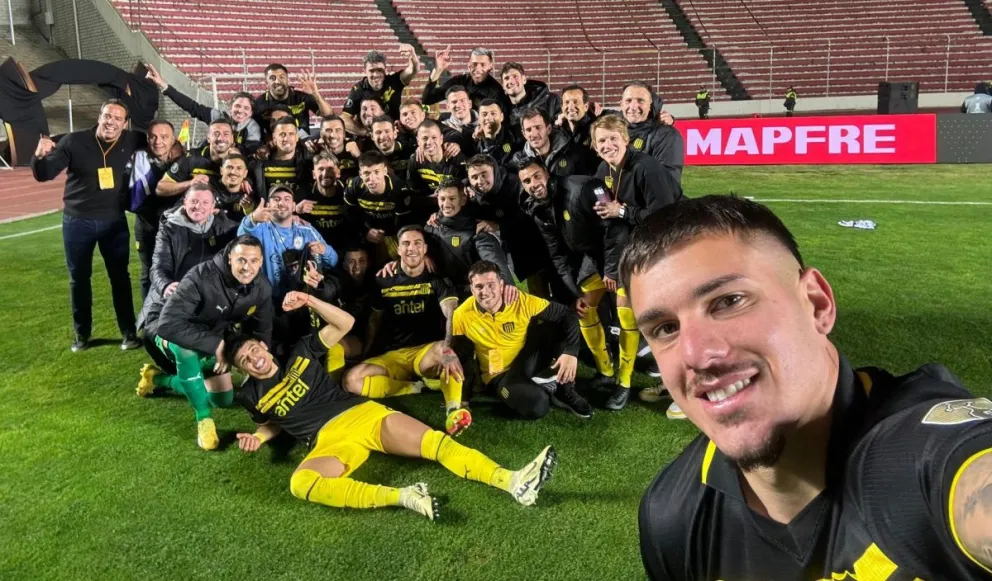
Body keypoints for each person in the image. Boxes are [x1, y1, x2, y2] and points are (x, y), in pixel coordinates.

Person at [625, 195, 992, 580]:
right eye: (665, 329)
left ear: (816, 303)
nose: (696, 355)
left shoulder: (917, 455)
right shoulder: (673, 516)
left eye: (728, 301)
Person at [227, 289, 558, 520]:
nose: (253, 360)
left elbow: (344, 324)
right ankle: (404, 496)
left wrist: (310, 300)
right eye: (245, 361)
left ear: (261, 346)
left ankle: (513, 482)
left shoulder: (299, 351)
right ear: (242, 370)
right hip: (328, 442)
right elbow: (270, 422)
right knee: (300, 484)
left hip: (361, 415)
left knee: (436, 444)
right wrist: (259, 438)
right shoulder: (251, 396)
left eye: (253, 351)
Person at [31, 99, 147, 352]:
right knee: (79, 278)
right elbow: (45, 173)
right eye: (107, 116)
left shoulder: (131, 140)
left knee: (120, 278)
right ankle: (82, 334)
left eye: (117, 119)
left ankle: (128, 332)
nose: (111, 122)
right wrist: (40, 155)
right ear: (99, 116)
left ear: (124, 123)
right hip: (77, 221)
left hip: (114, 221)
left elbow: (160, 142)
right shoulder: (74, 142)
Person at [517, 158, 633, 410]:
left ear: (546, 174)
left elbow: (617, 230)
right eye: (526, 181)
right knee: (583, 309)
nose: (533, 184)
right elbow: (557, 255)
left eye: (536, 176)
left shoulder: (584, 188)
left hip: (621, 253)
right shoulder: (538, 209)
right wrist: (573, 292)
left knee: (626, 315)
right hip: (594, 260)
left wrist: (612, 271)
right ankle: (606, 371)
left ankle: (624, 383)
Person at [591, 114, 684, 411]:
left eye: (612, 138)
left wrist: (624, 212)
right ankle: (624, 382)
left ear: (626, 139)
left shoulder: (645, 167)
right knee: (627, 318)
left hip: (666, 254)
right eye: (601, 140)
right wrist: (611, 267)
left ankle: (681, 387)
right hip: (632, 256)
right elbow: (610, 222)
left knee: (671, 322)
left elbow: (664, 217)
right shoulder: (603, 170)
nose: (608, 145)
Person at [342, 226, 469, 435]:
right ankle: (414, 387)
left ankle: (454, 412)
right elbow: (375, 320)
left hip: (425, 353)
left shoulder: (436, 279)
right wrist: (367, 352)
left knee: (445, 352)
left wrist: (447, 349)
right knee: (351, 380)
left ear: (425, 248)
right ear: (398, 249)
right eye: (406, 244)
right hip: (394, 355)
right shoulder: (383, 279)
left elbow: (451, 314)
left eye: (417, 243)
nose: (412, 248)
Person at [150, 234, 273, 450]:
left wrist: (262, 353)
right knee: (186, 352)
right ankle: (203, 419)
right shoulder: (201, 276)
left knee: (223, 399)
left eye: (254, 261)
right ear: (229, 259)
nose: (247, 267)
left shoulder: (261, 286)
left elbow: (263, 329)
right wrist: (217, 345)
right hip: (167, 330)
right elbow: (168, 324)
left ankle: (159, 380)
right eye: (241, 260)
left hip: (212, 335)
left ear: (261, 261)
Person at [136, 183, 239, 404]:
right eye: (193, 201)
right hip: (171, 307)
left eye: (204, 202)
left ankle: (161, 379)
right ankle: (185, 377)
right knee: (187, 359)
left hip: (208, 311)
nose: (198, 207)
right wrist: (166, 286)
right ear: (184, 203)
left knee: (223, 399)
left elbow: (247, 239)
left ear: (213, 207)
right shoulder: (169, 228)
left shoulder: (225, 227)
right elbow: (157, 267)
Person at [453, 260, 593, 420]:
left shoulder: (519, 300)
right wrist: (464, 400)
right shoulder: (461, 315)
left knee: (560, 328)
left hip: (526, 359)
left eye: (491, 285)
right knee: (539, 405)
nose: (485, 292)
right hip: (500, 375)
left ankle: (564, 389)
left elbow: (567, 314)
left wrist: (571, 352)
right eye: (479, 287)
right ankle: (540, 384)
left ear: (501, 284)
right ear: (472, 289)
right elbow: (463, 357)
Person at [465, 154, 549, 294]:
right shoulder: (472, 193)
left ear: (494, 171)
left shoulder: (515, 184)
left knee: (544, 285)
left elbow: (533, 217)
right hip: (512, 245)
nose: (480, 181)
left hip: (538, 243)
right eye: (474, 177)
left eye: (484, 174)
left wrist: (500, 226)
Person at [237, 184, 338, 301]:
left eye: (287, 199)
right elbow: (241, 238)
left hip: (302, 299)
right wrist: (252, 218)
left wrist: (325, 250)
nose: (281, 203)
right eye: (276, 199)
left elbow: (333, 261)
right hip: (270, 300)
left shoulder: (306, 229)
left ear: (294, 205)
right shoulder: (261, 228)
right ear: (268, 205)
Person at [424, 180, 514, 298]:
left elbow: (494, 261)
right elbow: (411, 243)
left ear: (463, 200)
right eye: (442, 199)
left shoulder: (476, 230)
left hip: (472, 294)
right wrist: (422, 254)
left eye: (452, 199)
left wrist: (507, 284)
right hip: (442, 293)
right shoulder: (431, 226)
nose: (446, 204)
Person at [145, 63, 261, 154]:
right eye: (237, 106)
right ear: (230, 108)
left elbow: (248, 152)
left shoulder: (254, 129)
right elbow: (191, 106)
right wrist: (164, 85)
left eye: (246, 108)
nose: (240, 111)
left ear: (251, 113)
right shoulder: (218, 117)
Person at [129, 119, 182, 300]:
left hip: (174, 229)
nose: (158, 141)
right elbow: (134, 200)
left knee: (176, 273)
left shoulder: (183, 161)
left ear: (173, 139)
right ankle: (148, 323)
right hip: (147, 227)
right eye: (153, 137)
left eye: (164, 137)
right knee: (148, 274)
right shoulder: (138, 159)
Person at [343, 150, 414, 266]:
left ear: (385, 171)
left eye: (376, 172)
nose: (372, 178)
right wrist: (366, 232)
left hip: (393, 232)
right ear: (360, 174)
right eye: (366, 173)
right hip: (365, 229)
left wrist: (385, 237)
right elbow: (349, 216)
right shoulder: (354, 187)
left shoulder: (398, 188)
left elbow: (403, 223)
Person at [341, 46, 420, 135]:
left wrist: (412, 55)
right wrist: (365, 133)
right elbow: (344, 118)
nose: (376, 74)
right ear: (364, 71)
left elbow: (413, 70)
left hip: (395, 133)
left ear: (386, 70)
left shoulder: (394, 81)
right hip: (371, 135)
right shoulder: (358, 90)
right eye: (371, 70)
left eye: (380, 70)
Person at [620, 82, 684, 185]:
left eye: (640, 101)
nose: (633, 106)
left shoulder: (666, 135)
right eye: (628, 101)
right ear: (621, 105)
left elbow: (668, 183)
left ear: (651, 105)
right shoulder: (614, 129)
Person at [156, 118, 234, 197]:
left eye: (226, 134)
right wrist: (189, 183)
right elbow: (160, 188)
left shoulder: (240, 161)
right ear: (208, 138)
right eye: (216, 134)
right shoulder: (191, 158)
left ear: (232, 138)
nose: (221, 138)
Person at [509, 108, 595, 177]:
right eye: (528, 130)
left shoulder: (573, 154)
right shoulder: (519, 161)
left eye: (538, 127)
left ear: (549, 129)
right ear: (524, 134)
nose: (534, 134)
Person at [294, 151, 351, 252]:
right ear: (314, 174)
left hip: (344, 250)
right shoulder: (302, 193)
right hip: (314, 249)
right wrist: (295, 211)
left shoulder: (348, 192)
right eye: (320, 169)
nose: (325, 174)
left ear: (338, 173)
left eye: (330, 169)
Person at [253, 64, 332, 134]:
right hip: (275, 145)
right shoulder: (260, 103)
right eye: (272, 78)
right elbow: (257, 132)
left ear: (288, 80)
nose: (277, 81)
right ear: (266, 84)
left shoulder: (301, 97)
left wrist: (316, 95)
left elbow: (328, 115)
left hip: (303, 142)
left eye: (281, 77)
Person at [421, 47, 508, 110]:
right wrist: (438, 70)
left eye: (483, 65)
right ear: (469, 65)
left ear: (490, 67)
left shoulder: (496, 92)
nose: (478, 69)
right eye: (474, 64)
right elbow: (427, 99)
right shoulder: (460, 81)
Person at [406, 119, 466, 205]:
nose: (429, 142)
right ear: (418, 141)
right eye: (425, 138)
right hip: (429, 206)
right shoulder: (415, 161)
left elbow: (464, 189)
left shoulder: (455, 156)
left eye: (434, 137)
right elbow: (414, 194)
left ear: (441, 139)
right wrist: (430, 199)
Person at [500, 62, 561, 140]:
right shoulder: (502, 111)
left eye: (515, 76)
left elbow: (561, 128)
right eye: (506, 78)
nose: (511, 81)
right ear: (503, 86)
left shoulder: (550, 100)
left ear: (524, 80)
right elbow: (506, 142)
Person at [252, 117, 309, 194]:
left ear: (297, 137)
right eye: (282, 134)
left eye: (291, 134)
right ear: (274, 138)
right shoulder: (261, 163)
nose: (286, 139)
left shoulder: (308, 164)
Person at [473, 98, 521, 166]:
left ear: (502, 117)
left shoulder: (515, 137)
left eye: (493, 113)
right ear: (479, 119)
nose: (488, 118)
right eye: (484, 114)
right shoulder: (474, 143)